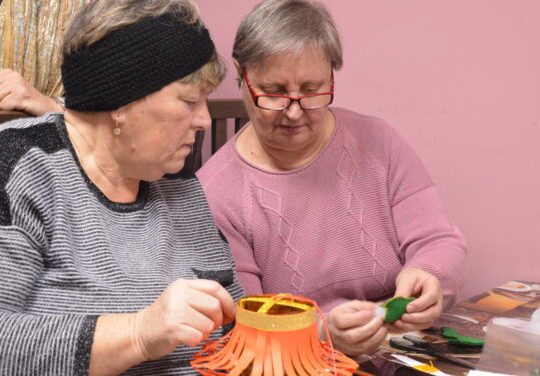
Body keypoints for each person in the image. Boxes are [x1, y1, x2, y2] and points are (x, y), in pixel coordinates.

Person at [0, 0, 244, 374]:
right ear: (122, 100)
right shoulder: (14, 165)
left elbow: (230, 316)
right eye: (189, 101)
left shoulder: (176, 181)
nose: (204, 120)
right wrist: (136, 334)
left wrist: (318, 332)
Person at [197, 0, 467, 356]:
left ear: (332, 74)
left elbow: (439, 241)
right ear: (242, 75)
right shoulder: (214, 194)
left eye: (311, 90)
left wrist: (430, 277)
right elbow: (247, 329)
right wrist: (321, 334)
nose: (294, 112)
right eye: (275, 92)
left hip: (407, 353)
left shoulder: (378, 141)